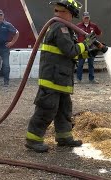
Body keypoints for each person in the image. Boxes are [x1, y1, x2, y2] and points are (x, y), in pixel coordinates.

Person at [25, 0, 98, 153]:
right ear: (66, 12)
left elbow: (71, 55)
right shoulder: (60, 27)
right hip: (52, 78)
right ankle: (33, 140)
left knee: (64, 109)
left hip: (61, 78)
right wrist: (86, 43)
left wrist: (88, 51)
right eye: (72, 13)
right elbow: (70, 50)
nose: (72, 17)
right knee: (46, 109)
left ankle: (64, 137)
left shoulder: (65, 28)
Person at [76, 11, 102, 84]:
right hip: (82, 48)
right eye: (85, 18)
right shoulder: (78, 26)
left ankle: (91, 79)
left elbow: (99, 33)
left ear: (89, 18)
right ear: (82, 18)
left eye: (87, 18)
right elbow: (74, 34)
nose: (86, 19)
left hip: (91, 48)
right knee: (80, 64)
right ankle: (78, 79)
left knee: (91, 64)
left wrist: (94, 39)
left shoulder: (94, 26)